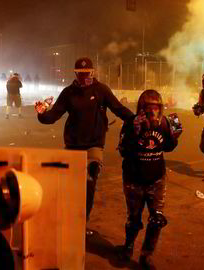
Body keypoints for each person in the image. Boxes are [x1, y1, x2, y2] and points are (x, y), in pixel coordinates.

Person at [35, 57, 134, 226]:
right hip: (73, 145)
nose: (83, 77)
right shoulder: (68, 92)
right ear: (75, 73)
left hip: (93, 145)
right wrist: (42, 113)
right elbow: (53, 116)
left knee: (89, 184)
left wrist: (136, 119)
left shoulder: (101, 90)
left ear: (92, 72)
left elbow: (118, 109)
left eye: (86, 73)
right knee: (70, 186)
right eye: (80, 74)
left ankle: (83, 221)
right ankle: (69, 219)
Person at [117, 89, 181, 269]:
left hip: (156, 178)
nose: (153, 112)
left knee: (157, 219)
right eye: (149, 108)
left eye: (156, 108)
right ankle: (128, 246)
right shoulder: (131, 122)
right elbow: (123, 151)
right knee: (134, 219)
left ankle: (146, 255)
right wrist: (135, 131)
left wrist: (175, 137)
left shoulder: (166, 123)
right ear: (141, 108)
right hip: (133, 177)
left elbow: (168, 147)